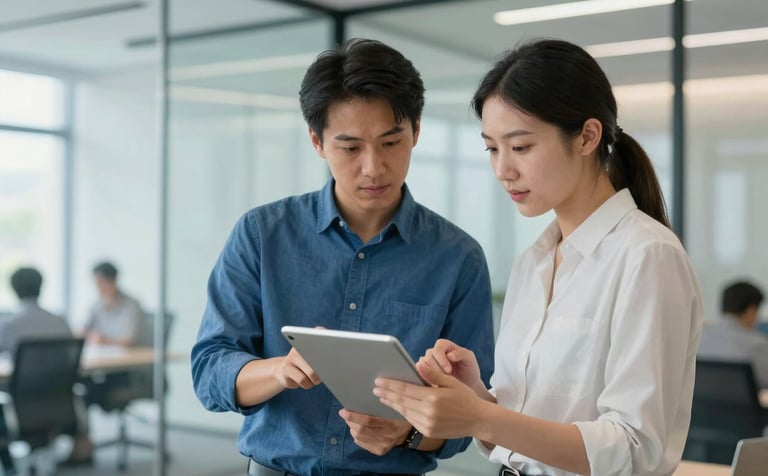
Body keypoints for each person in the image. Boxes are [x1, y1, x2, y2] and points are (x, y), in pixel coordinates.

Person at [374, 38, 704, 476]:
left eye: (521, 147)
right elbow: (513, 435)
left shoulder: (647, 256)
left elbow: (632, 449)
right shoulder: (534, 262)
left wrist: (479, 416)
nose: (502, 170)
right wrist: (476, 396)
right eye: (492, 148)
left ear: (588, 136)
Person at [191, 38, 495, 476]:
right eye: (350, 148)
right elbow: (209, 370)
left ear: (416, 131)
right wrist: (280, 370)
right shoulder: (261, 235)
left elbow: (469, 415)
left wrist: (404, 432)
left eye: (391, 142)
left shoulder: (458, 258)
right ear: (317, 141)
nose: (373, 167)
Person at [0, 267, 73, 475]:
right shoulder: (61, 321)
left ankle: (8, 465)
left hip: (21, 404)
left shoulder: (9, 325)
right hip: (59, 401)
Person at [698, 280, 768, 388]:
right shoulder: (757, 345)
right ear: (751, 310)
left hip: (706, 404)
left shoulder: (699, 337)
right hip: (744, 404)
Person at [0, 267, 72, 355]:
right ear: (40, 287)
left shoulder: (8, 326)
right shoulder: (61, 322)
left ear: (14, 290)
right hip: (59, 369)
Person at [83, 261, 144, 347]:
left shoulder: (132, 306)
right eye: (96, 282)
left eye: (101, 282)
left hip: (130, 356)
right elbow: (82, 331)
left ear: (113, 281)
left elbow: (128, 341)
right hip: (103, 353)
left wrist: (104, 341)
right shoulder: (97, 305)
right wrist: (92, 336)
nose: (98, 287)